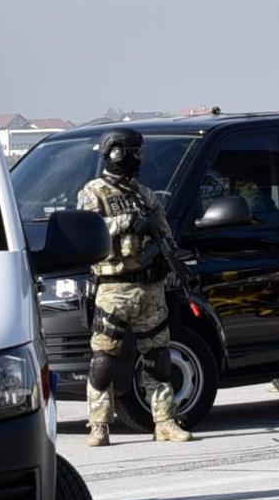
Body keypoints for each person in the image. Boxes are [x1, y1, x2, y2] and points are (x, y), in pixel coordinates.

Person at [73, 129, 194, 446]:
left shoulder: (146, 195)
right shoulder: (93, 192)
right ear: (116, 152)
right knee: (103, 360)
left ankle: (165, 421)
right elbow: (89, 233)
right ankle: (98, 425)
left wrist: (170, 258)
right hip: (114, 288)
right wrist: (125, 222)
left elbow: (167, 236)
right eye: (134, 151)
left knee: (159, 358)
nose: (139, 157)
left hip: (150, 289)